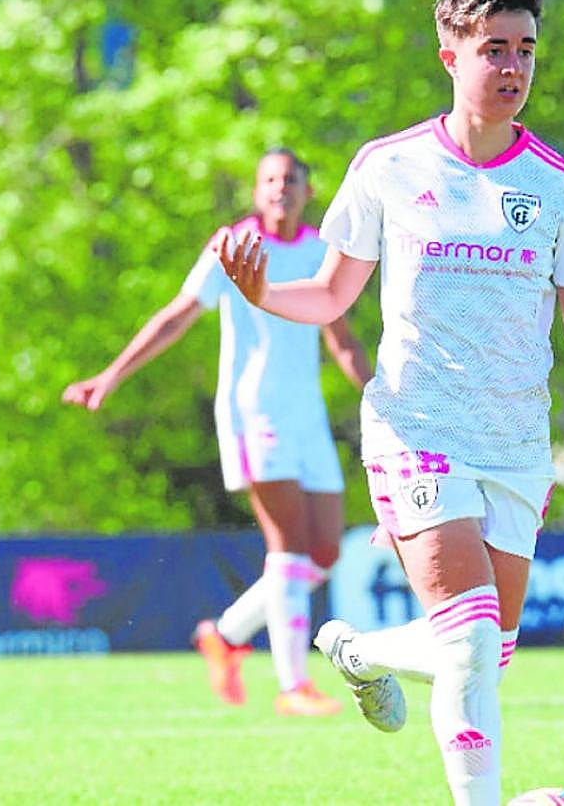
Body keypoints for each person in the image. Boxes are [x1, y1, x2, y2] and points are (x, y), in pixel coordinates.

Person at [218, 0, 564, 804]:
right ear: (450, 55)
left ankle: (359, 651)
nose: (513, 65)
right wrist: (265, 293)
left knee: (486, 649)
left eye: (525, 48)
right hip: (416, 428)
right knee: (472, 639)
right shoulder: (388, 167)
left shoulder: (559, 187)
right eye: (494, 49)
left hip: (516, 445)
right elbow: (334, 296)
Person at [62, 148, 371, 717]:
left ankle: (226, 634)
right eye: (271, 179)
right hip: (256, 413)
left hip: (307, 418)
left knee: (323, 551)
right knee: (289, 548)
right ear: (257, 191)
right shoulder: (230, 246)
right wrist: (111, 375)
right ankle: (293, 686)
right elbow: (178, 314)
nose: (281, 188)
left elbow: (340, 335)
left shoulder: (318, 249)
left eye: (292, 180)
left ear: (307, 191)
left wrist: (378, 394)